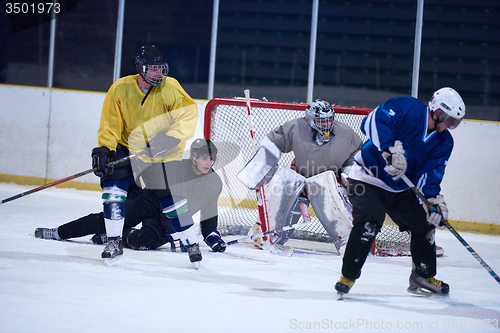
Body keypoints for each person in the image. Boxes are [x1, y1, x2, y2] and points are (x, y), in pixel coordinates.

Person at [335, 87, 466, 296]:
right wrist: (389, 150)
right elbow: (372, 120)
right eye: (450, 120)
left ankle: (422, 275)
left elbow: (430, 174)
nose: (450, 126)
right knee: (369, 223)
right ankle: (348, 276)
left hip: (400, 188)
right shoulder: (409, 108)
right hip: (368, 178)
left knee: (424, 223)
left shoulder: (444, 142)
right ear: (438, 111)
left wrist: (431, 200)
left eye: (454, 123)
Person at [89, 44, 198, 260]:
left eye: (161, 68)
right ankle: (113, 241)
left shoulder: (171, 87)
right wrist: (105, 149)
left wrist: (171, 137)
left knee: (171, 198)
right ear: (141, 68)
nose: (159, 73)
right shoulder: (120, 88)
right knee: (113, 189)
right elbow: (111, 123)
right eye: (153, 68)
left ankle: (191, 243)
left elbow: (188, 114)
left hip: (161, 150)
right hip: (127, 147)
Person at [35, 139, 226, 253]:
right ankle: (58, 232)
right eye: (203, 157)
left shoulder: (214, 183)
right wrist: (178, 235)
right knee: (109, 218)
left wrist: (212, 237)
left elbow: (209, 213)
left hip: (168, 219)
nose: (208, 162)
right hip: (150, 202)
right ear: (193, 157)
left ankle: (114, 236)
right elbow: (167, 202)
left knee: (143, 242)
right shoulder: (177, 168)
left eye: (211, 158)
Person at [238, 99, 362, 251]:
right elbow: (275, 141)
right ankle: (267, 234)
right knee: (282, 190)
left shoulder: (346, 134)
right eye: (321, 121)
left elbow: (355, 154)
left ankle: (349, 242)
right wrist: (261, 167)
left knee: (336, 203)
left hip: (328, 181)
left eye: (329, 120)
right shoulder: (297, 127)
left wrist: (351, 176)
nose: (326, 125)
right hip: (300, 178)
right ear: (310, 119)